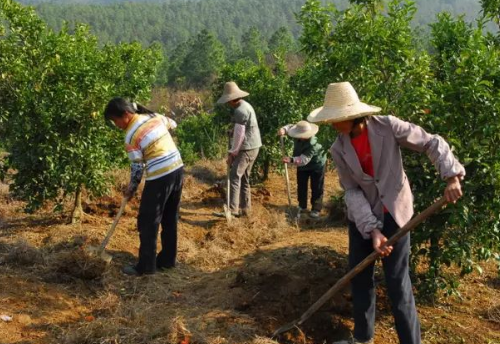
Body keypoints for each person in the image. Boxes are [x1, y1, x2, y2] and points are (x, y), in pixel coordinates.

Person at [307, 82, 465, 344]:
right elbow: (352, 191)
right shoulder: (338, 149)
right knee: (359, 276)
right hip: (362, 216)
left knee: (396, 282)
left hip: (395, 211)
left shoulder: (388, 127)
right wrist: (372, 230)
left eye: (335, 119)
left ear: (351, 116)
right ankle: (362, 338)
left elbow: (430, 142)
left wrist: (451, 177)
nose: (332, 125)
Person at [104, 97, 184, 276]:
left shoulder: (131, 136)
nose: (116, 125)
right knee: (170, 218)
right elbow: (173, 124)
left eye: (115, 120)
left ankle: (146, 266)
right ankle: (168, 261)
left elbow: (137, 168)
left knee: (148, 222)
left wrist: (131, 189)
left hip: (160, 176)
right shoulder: (153, 117)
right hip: (177, 169)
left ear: (125, 114)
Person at [216, 81, 262, 217]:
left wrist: (233, 153)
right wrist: (232, 131)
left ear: (230, 100)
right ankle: (245, 209)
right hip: (254, 146)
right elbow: (242, 129)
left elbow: (240, 134)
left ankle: (232, 210)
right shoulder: (246, 106)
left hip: (247, 148)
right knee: (244, 178)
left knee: (234, 176)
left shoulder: (240, 111)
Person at [277, 120, 326, 218]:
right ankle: (302, 206)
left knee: (317, 187)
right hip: (302, 164)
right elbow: (290, 126)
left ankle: (316, 209)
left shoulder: (313, 144)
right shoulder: (298, 131)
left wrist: (290, 159)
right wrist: (283, 129)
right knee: (301, 185)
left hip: (316, 164)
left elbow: (304, 160)